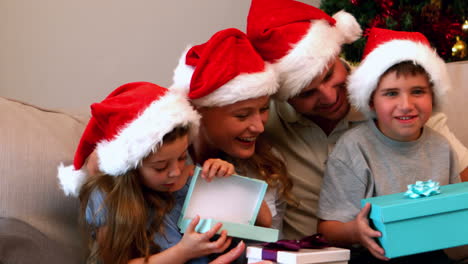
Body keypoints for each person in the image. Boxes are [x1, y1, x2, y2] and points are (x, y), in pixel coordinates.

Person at [245, 0, 468, 240]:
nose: (330, 97)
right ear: (284, 96)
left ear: (338, 53)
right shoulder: (262, 121)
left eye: (330, 74)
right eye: (306, 93)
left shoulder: (400, 106)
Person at [56, 82, 261, 264]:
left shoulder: (192, 178)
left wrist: (231, 183)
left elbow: (264, 222)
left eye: (182, 157)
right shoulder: (107, 197)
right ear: (130, 168)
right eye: (160, 167)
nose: (175, 172)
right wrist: (183, 252)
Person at [317, 27, 460, 263]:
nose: (406, 104)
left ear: (433, 96)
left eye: (417, 91)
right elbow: (327, 229)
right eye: (391, 93)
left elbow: (453, 210)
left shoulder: (441, 146)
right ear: (371, 101)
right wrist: (356, 231)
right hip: (374, 254)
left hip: (432, 254)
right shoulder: (354, 148)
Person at [171, 27, 295, 234]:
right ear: (198, 111)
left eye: (264, 109)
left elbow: (269, 243)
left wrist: (237, 188)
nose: (259, 126)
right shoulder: (164, 165)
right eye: (242, 115)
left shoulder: (266, 166)